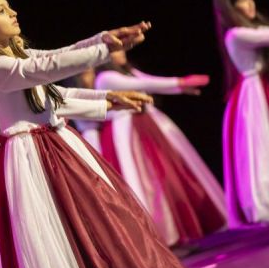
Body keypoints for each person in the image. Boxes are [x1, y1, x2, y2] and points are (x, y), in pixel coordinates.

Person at [0, 0, 183, 268]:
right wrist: (104, 50)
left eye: (9, 7)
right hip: (33, 157)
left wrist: (106, 89)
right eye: (1, 11)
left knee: (99, 218)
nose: (13, 13)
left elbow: (55, 80)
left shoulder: (19, 55)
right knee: (63, 230)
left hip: (57, 144)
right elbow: (50, 66)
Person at [95, 50, 226, 245]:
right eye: (115, 50)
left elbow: (148, 80)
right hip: (128, 132)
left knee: (166, 177)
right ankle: (163, 236)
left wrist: (180, 88)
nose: (121, 52)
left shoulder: (128, 71)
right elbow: (143, 85)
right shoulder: (106, 78)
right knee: (146, 182)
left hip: (147, 126)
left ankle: (182, 232)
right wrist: (180, 82)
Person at [213, 0, 269, 226]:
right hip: (255, 96)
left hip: (266, 88)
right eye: (243, 0)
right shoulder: (236, 35)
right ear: (231, 8)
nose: (250, 5)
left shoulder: (250, 30)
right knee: (262, 152)